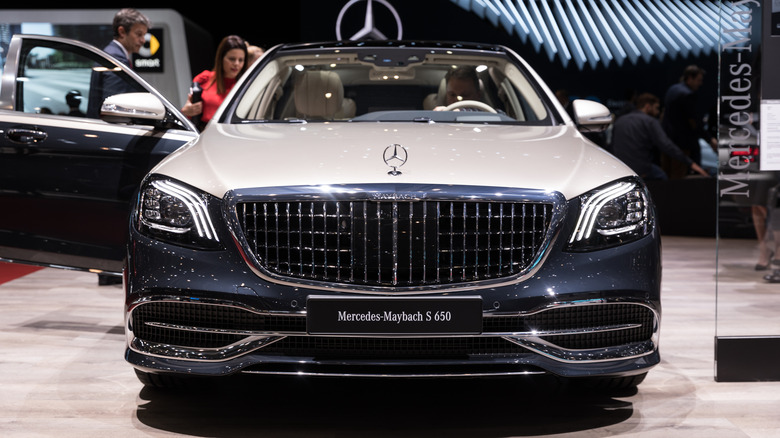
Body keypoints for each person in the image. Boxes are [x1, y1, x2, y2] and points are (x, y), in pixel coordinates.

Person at [611, 93, 708, 180]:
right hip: (642, 169)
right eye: (656, 108)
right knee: (663, 178)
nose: (657, 112)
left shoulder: (619, 121)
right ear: (648, 106)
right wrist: (691, 163)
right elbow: (666, 145)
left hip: (621, 169)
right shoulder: (650, 121)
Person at [87, 9, 150, 118]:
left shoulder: (111, 54)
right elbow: (115, 108)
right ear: (122, 32)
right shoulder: (116, 59)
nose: (143, 40)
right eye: (139, 34)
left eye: (144, 35)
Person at [661, 65, 717, 178]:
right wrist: (710, 139)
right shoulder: (687, 94)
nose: (700, 84)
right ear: (690, 78)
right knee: (679, 178)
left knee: (667, 177)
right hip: (682, 144)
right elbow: (694, 122)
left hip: (667, 141)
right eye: (699, 80)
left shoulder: (672, 89)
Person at [181, 35, 248, 130]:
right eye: (232, 59)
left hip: (233, 136)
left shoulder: (246, 86)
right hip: (203, 134)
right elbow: (188, 112)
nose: (237, 63)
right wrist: (185, 111)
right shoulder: (203, 79)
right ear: (221, 58)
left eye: (241, 60)